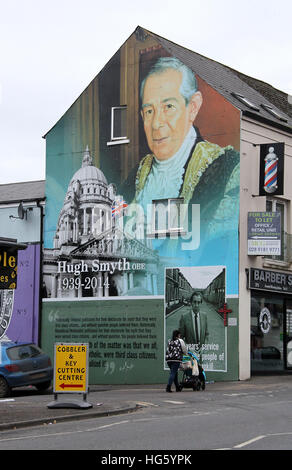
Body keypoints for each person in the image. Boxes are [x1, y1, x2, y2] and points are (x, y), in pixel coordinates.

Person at [123, 56, 239, 249]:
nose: (157, 123)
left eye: (169, 107)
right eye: (149, 111)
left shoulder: (228, 168)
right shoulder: (137, 174)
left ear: (192, 107)